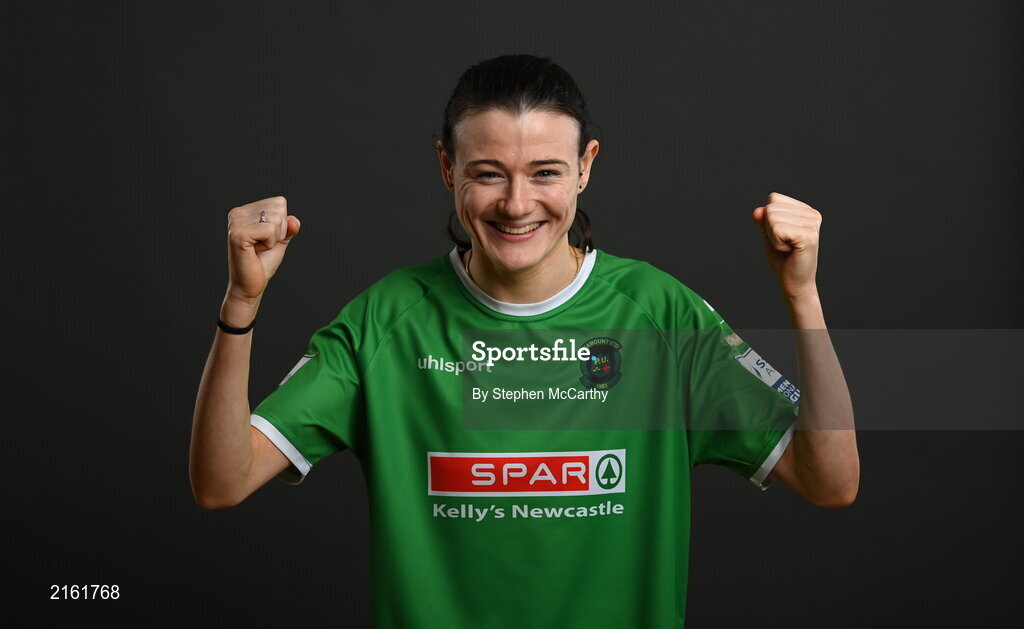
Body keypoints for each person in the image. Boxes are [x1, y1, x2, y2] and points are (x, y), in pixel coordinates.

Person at [190, 53, 859, 628]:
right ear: (446, 168)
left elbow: (831, 481)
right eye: (487, 173)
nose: (516, 203)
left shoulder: (659, 315)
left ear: (585, 167)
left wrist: (802, 295)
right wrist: (241, 303)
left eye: (544, 172)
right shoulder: (385, 323)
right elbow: (221, 481)